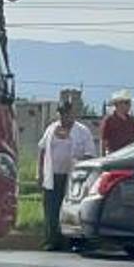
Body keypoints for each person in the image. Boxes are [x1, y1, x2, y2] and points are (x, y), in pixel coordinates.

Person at [37, 100, 96, 251]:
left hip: (73, 178)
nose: (65, 117)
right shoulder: (51, 129)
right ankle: (52, 241)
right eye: (62, 114)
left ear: (73, 114)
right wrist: (40, 173)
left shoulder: (82, 131)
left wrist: (78, 162)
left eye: (68, 114)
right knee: (51, 209)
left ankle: (70, 242)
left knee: (70, 210)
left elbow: (90, 154)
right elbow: (42, 150)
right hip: (52, 176)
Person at [100, 89, 134, 154]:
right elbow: (104, 141)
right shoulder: (109, 120)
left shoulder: (131, 121)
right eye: (126, 102)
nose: (129, 105)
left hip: (131, 155)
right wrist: (103, 156)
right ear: (118, 104)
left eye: (129, 103)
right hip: (115, 156)